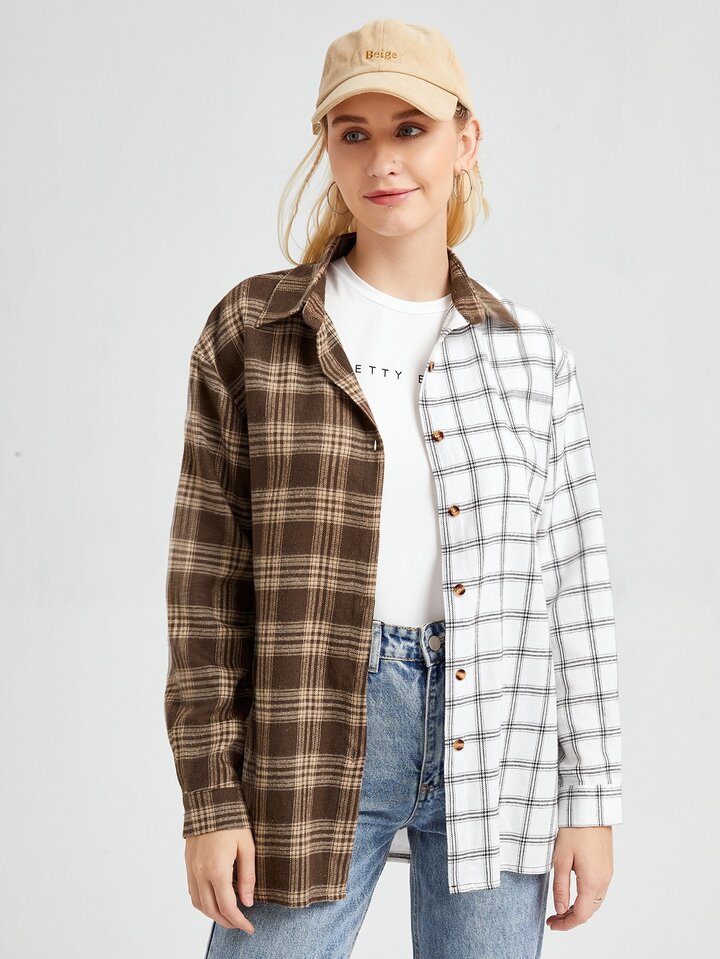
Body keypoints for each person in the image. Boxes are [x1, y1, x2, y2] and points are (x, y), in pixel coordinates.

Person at [163, 18, 622, 958]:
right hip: (311, 725)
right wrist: (210, 798)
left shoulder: (529, 354)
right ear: (327, 148)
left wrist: (592, 798)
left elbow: (575, 587)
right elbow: (205, 585)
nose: (384, 159)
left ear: (465, 140)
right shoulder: (256, 331)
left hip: (501, 737)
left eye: (411, 128)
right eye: (355, 132)